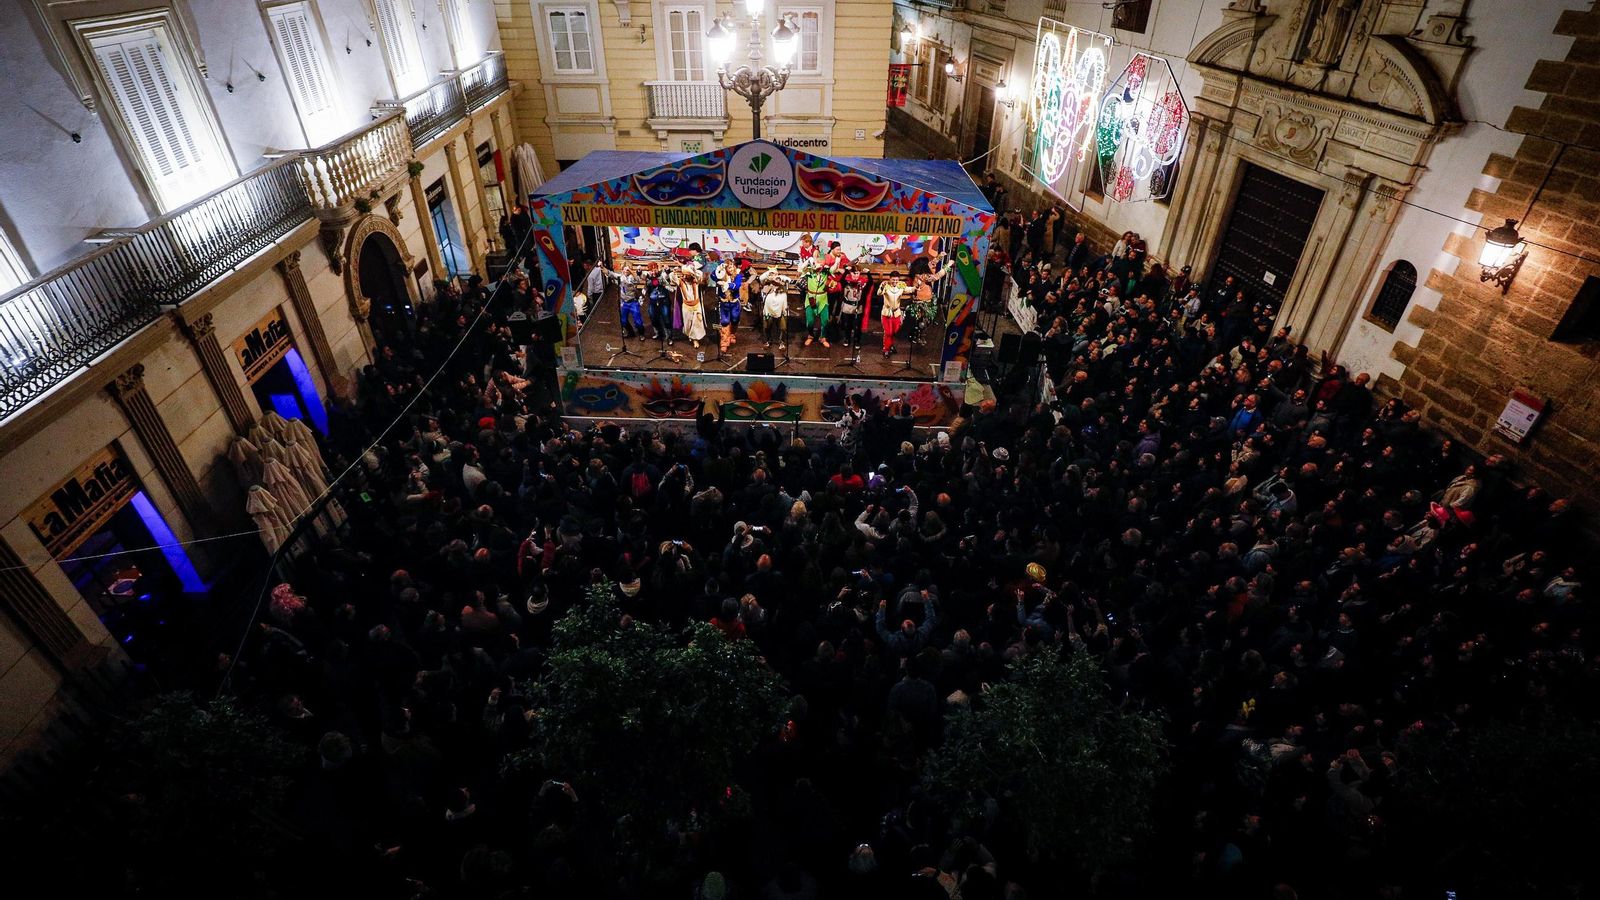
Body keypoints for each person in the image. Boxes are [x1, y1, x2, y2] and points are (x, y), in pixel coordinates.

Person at [839, 265, 870, 353]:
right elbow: (841, 280)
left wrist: (868, 273)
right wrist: (846, 271)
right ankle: (847, 339)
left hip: (858, 306)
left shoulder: (862, 282)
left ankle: (857, 341)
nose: (855, 275)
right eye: (853, 273)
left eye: (857, 273)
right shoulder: (847, 281)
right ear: (850, 273)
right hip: (848, 306)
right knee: (847, 324)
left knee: (857, 326)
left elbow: (870, 284)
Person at [878, 272, 909, 358]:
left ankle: (890, 345)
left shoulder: (901, 285)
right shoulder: (885, 285)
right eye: (893, 279)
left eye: (896, 280)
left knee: (895, 331)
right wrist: (881, 287)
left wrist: (917, 287)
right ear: (890, 279)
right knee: (888, 332)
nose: (895, 281)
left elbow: (909, 289)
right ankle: (886, 349)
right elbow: (879, 293)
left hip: (896, 313)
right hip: (887, 313)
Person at [678, 258, 707, 349]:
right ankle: (691, 335)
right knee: (688, 323)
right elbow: (671, 276)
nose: (686, 277)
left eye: (688, 275)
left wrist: (692, 270)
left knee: (696, 323)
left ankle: (695, 339)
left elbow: (700, 275)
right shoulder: (680, 281)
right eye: (685, 275)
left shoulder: (696, 281)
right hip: (686, 306)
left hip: (696, 305)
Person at [759, 267, 792, 349]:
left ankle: (782, 342)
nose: (774, 276)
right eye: (772, 274)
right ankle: (768, 341)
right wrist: (769, 273)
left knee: (783, 327)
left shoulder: (783, 285)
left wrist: (779, 277)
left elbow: (789, 280)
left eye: (776, 274)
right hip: (768, 309)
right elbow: (761, 278)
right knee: (767, 326)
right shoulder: (767, 285)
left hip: (781, 309)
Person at [803, 263, 830, 348]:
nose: (819, 267)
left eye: (820, 264)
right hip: (811, 299)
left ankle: (822, 338)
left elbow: (834, 268)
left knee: (825, 321)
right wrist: (809, 265)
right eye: (817, 264)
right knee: (810, 322)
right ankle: (810, 335)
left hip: (823, 299)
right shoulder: (809, 273)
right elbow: (802, 269)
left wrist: (837, 260)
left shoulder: (826, 273)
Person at [617, 264, 644, 339]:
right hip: (624, 302)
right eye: (624, 269)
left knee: (638, 321)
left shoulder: (632, 277)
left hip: (633, 302)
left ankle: (641, 333)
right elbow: (610, 273)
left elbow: (638, 280)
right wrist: (602, 267)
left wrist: (632, 272)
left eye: (627, 270)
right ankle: (630, 332)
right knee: (623, 320)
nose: (626, 271)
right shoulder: (620, 277)